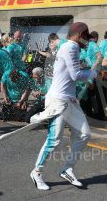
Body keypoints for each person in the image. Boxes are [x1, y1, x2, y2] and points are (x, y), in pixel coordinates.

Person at [29, 22, 97, 190]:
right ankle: (36, 172)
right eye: (86, 37)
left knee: (84, 134)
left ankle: (67, 168)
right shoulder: (71, 47)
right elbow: (75, 74)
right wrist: (94, 72)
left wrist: (88, 68)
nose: (86, 41)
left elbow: (72, 71)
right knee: (54, 140)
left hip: (69, 100)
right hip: (58, 100)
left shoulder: (69, 47)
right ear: (79, 34)